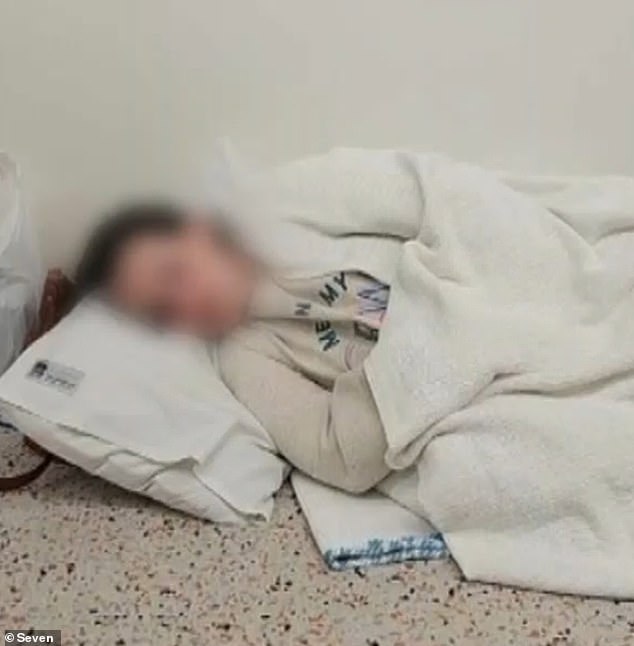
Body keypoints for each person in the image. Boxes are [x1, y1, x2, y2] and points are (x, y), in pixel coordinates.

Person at [75, 204, 391, 492]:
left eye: (174, 273)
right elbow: (345, 457)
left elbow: (427, 192)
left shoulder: (288, 209)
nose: (187, 303)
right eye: (163, 313)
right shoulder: (244, 357)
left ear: (198, 232)